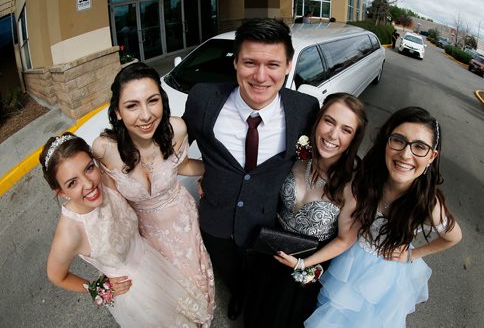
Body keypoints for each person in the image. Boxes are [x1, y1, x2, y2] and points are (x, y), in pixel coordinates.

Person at [183, 18, 320, 321]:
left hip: (269, 225)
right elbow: (171, 149)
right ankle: (237, 295)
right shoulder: (203, 98)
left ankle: (251, 300)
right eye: (249, 62)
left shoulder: (305, 109)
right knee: (230, 272)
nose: (260, 76)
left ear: (287, 66)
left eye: (272, 64)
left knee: (262, 277)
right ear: (235, 63)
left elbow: (327, 158)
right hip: (215, 221)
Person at [279, 107, 463, 327]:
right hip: (349, 263)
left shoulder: (428, 203)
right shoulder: (366, 180)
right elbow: (344, 233)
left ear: (432, 156)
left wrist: (413, 255)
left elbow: (453, 237)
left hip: (385, 278)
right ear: (387, 143)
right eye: (398, 140)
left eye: (419, 147)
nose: (405, 154)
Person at [40, 133, 212, 327]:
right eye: (72, 183)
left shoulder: (105, 180)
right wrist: (98, 289)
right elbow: (56, 276)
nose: (88, 184)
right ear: (61, 192)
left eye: (89, 168)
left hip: (156, 259)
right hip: (139, 293)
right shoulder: (69, 233)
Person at [92, 62, 215, 326]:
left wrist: (215, 172)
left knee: (193, 285)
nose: (146, 115)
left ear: (163, 100)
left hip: (182, 223)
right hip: (144, 236)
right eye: (132, 105)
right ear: (117, 112)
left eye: (153, 101)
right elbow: (108, 205)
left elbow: (180, 165)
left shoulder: (177, 129)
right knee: (163, 300)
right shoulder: (104, 149)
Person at [245, 93, 368, 328]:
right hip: (271, 246)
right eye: (329, 121)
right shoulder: (296, 155)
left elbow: (345, 239)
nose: (333, 135)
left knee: (285, 316)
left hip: (308, 264)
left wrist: (303, 264)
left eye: (346, 130)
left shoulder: (354, 185)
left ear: (354, 139)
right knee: (258, 305)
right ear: (317, 120)